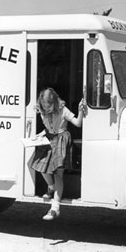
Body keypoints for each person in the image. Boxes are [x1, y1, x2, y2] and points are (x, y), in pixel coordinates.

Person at [27, 88, 86, 221]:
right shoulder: (42, 111)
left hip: (61, 140)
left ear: (54, 102)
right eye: (44, 107)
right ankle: (51, 187)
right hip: (49, 139)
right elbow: (48, 128)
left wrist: (80, 111)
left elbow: (78, 123)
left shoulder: (63, 110)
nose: (46, 109)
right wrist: (39, 135)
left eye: (49, 106)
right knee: (40, 166)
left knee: (58, 173)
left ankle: (55, 207)